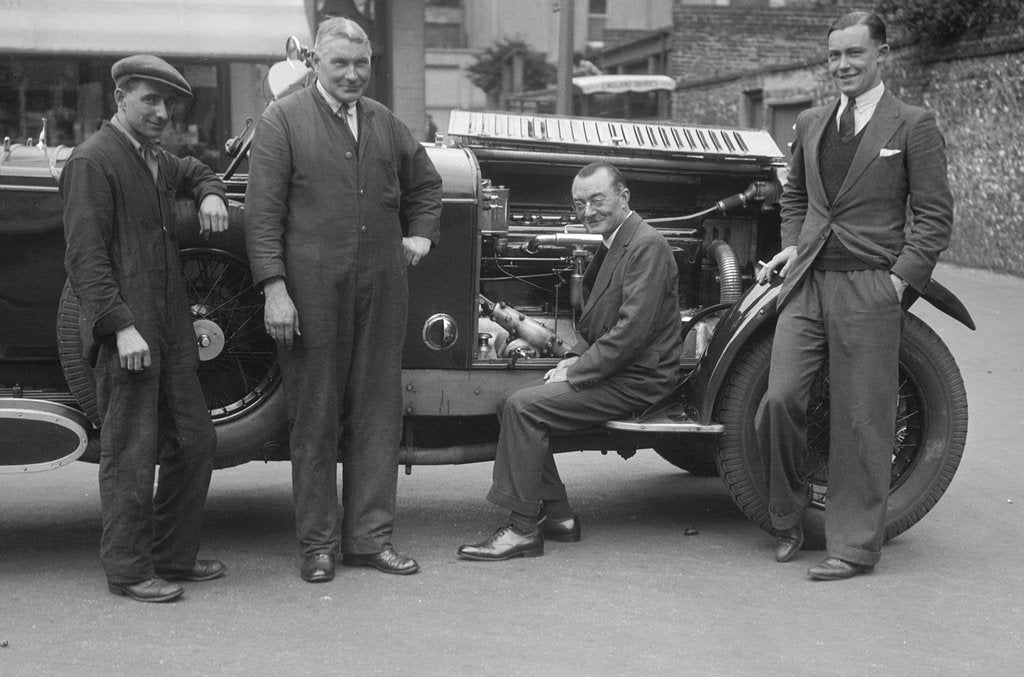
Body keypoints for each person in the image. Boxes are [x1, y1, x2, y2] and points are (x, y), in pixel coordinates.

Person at [756, 12, 954, 580]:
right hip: (809, 280)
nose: (842, 65)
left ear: (881, 54)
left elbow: (934, 216)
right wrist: (794, 245)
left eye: (854, 55)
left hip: (870, 284)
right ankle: (788, 514)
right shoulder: (813, 121)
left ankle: (853, 546)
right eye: (834, 56)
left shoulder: (913, 124)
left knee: (862, 419)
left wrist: (898, 280)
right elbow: (795, 197)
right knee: (779, 399)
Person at [245, 17, 442, 582]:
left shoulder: (385, 122)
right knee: (316, 419)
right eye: (341, 64)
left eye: (362, 64)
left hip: (382, 286)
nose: (353, 74)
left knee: (378, 416)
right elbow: (262, 216)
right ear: (315, 65)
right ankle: (318, 547)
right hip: (311, 292)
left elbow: (426, 186)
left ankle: (369, 540)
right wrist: (275, 291)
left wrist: (421, 232)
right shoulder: (282, 121)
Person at [61, 55, 229, 603]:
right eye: (148, 100)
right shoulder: (94, 161)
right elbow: (85, 260)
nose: (160, 112)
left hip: (173, 329)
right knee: (131, 452)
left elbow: (200, 170)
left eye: (168, 104)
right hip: (129, 332)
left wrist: (209, 193)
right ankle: (129, 571)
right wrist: (119, 327)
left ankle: (173, 555)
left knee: (196, 440)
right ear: (120, 100)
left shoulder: (155, 159)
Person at [457, 162, 683, 561]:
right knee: (509, 403)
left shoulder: (646, 245)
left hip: (640, 378)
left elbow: (631, 332)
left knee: (524, 409)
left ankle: (523, 528)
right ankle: (559, 517)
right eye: (579, 204)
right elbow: (597, 324)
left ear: (624, 197)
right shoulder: (615, 242)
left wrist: (576, 369)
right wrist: (575, 358)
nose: (588, 211)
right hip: (619, 370)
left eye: (597, 199)